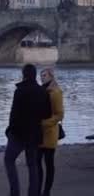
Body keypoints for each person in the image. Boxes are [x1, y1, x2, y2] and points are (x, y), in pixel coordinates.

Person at [4, 64, 52, 196]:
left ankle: (15, 192)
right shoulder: (42, 92)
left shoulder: (20, 91)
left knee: (9, 160)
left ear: (24, 75)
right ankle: (33, 193)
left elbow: (14, 114)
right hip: (35, 134)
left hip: (18, 133)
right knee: (32, 164)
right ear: (35, 75)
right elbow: (47, 114)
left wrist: (9, 131)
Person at [38, 68, 64, 196]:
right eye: (41, 75)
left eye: (45, 75)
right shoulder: (40, 90)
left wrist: (43, 124)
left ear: (51, 76)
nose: (42, 77)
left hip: (50, 134)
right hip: (39, 134)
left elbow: (59, 115)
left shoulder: (56, 92)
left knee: (49, 164)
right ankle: (38, 189)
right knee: (37, 164)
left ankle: (46, 191)